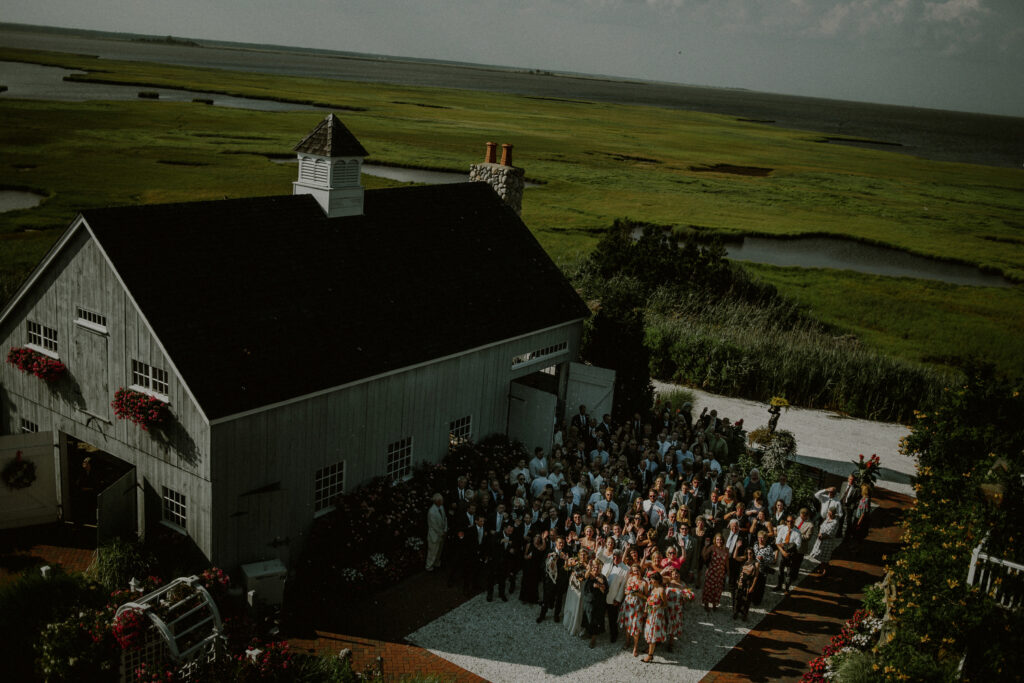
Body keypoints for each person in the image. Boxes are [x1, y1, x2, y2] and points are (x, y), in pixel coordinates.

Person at [537, 536, 571, 623]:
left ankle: (556, 615)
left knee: (559, 599)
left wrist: (566, 561)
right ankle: (542, 615)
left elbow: (568, 568)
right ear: (556, 543)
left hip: (560, 580)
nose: (561, 544)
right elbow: (543, 565)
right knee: (546, 598)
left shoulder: (566, 552)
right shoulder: (549, 551)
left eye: (563, 543)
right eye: (560, 542)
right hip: (550, 580)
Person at [602, 548, 629, 643]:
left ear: (622, 557)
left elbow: (623, 586)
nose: (616, 559)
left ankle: (614, 634)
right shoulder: (608, 563)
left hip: (613, 596)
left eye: (618, 557)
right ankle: (600, 631)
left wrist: (618, 599)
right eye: (614, 557)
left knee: (612, 618)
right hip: (602, 594)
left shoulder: (626, 569)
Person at [619, 564, 647, 655]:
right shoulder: (630, 579)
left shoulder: (645, 582)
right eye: (634, 571)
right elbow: (625, 591)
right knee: (628, 624)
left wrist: (638, 594)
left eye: (637, 570)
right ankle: (627, 641)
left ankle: (635, 647)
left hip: (639, 606)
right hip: (629, 604)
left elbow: (646, 597)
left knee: (637, 626)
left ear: (640, 570)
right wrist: (629, 591)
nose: (636, 572)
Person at [581, 559, 609, 648]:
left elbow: (605, 590)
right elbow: (584, 577)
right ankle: (588, 632)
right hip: (588, 601)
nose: (595, 569)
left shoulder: (602, 577)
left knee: (596, 620)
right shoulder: (589, 575)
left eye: (597, 567)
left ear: (600, 568)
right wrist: (589, 568)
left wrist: (599, 586)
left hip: (598, 603)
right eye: (594, 567)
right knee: (587, 618)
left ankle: (593, 639)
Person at [642, 573, 668, 662]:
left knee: (653, 633)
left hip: (657, 615)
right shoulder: (654, 589)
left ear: (657, 580)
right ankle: (650, 649)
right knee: (649, 631)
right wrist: (646, 611)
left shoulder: (661, 590)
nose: (650, 581)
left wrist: (657, 606)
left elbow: (665, 604)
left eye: (652, 579)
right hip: (651, 614)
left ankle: (650, 655)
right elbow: (650, 601)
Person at [563, 549, 589, 636]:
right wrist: (567, 561)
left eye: (584, 555)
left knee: (579, 604)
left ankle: (577, 625)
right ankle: (569, 622)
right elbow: (566, 567)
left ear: (587, 556)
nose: (583, 556)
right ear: (578, 555)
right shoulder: (575, 561)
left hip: (582, 586)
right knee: (572, 602)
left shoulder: (588, 565)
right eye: (581, 554)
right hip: (573, 586)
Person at [774, 514, 802, 592]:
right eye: (788, 521)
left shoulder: (797, 532)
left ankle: (787, 588)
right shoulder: (783, 529)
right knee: (780, 570)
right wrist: (783, 551)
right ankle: (779, 585)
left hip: (791, 555)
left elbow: (797, 546)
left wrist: (785, 546)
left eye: (791, 521)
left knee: (789, 572)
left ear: (794, 522)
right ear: (786, 521)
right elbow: (777, 542)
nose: (789, 523)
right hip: (782, 553)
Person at [701, 533, 729, 612]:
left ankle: (714, 604)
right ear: (715, 540)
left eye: (720, 539)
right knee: (708, 588)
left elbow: (727, 562)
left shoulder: (726, 549)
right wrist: (705, 546)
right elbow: (704, 555)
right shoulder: (712, 547)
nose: (719, 541)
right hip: (712, 571)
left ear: (723, 540)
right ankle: (706, 604)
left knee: (717, 589)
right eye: (717, 539)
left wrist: (728, 572)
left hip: (721, 573)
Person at [811, 506, 841, 575]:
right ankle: (821, 568)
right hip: (821, 539)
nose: (829, 515)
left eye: (830, 514)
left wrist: (822, 536)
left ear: (833, 514)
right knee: (821, 555)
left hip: (827, 541)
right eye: (828, 513)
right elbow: (822, 526)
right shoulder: (827, 518)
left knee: (825, 557)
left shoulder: (835, 522)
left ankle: (825, 570)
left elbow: (831, 532)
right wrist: (819, 533)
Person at [732, 547, 758, 620]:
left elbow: (756, 576)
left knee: (747, 600)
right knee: (737, 597)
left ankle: (744, 614)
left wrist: (752, 587)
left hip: (748, 584)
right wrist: (737, 547)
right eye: (747, 553)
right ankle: (735, 612)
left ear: (753, 553)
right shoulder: (744, 559)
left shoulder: (756, 563)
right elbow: (734, 557)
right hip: (740, 582)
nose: (749, 554)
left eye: (750, 553)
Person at [751, 530, 775, 605]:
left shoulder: (769, 548)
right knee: (752, 584)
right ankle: (751, 598)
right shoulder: (755, 545)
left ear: (765, 539)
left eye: (762, 538)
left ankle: (757, 601)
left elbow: (772, 559)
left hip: (762, 570)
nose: (760, 540)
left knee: (760, 586)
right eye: (759, 538)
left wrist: (763, 559)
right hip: (753, 568)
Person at [520, 533, 546, 604]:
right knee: (526, 582)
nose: (537, 539)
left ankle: (533, 599)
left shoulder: (540, 546)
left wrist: (543, 538)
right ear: (533, 538)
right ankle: (524, 598)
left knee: (534, 583)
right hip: (528, 566)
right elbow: (524, 555)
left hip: (536, 567)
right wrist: (527, 557)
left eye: (539, 537)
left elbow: (544, 547)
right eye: (536, 537)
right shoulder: (529, 545)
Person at [426, 493, 447, 571]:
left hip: (442, 533)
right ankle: (428, 566)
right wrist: (442, 533)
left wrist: (445, 529)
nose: (442, 501)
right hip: (434, 535)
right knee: (432, 552)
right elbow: (434, 526)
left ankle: (436, 563)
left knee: (439, 551)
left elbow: (445, 519)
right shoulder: (431, 512)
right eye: (441, 500)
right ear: (436, 501)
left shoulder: (441, 507)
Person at [850, 485, 872, 549]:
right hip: (857, 517)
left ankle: (856, 547)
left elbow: (864, 512)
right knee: (855, 532)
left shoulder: (866, 500)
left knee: (858, 533)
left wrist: (859, 521)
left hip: (861, 519)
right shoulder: (863, 498)